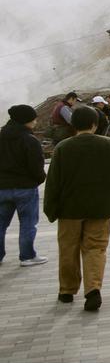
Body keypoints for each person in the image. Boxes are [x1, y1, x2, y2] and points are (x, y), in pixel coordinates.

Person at [43, 106, 110, 310]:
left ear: (73, 125)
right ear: (95, 124)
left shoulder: (63, 148)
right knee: (95, 248)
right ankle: (93, 289)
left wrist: (50, 209)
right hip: (100, 208)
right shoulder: (108, 145)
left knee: (68, 248)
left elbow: (53, 182)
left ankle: (67, 290)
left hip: (69, 209)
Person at [0, 105, 48, 267]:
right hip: (25, 188)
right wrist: (39, 179)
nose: (35, 122)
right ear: (25, 120)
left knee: (1, 224)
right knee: (27, 223)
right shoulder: (29, 140)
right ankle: (27, 256)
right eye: (33, 119)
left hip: (2, 188)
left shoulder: (1, 137)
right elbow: (36, 166)